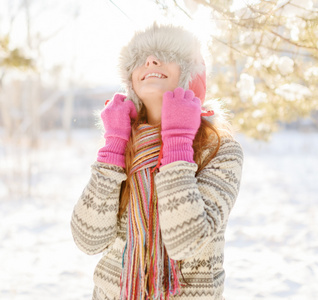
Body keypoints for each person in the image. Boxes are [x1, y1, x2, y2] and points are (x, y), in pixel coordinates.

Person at [71, 23, 243, 300]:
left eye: (166, 54)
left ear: (191, 76)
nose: (150, 61)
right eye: (140, 60)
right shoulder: (123, 143)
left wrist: (177, 141)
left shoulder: (219, 149)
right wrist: (114, 145)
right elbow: (89, 239)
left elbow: (186, 241)